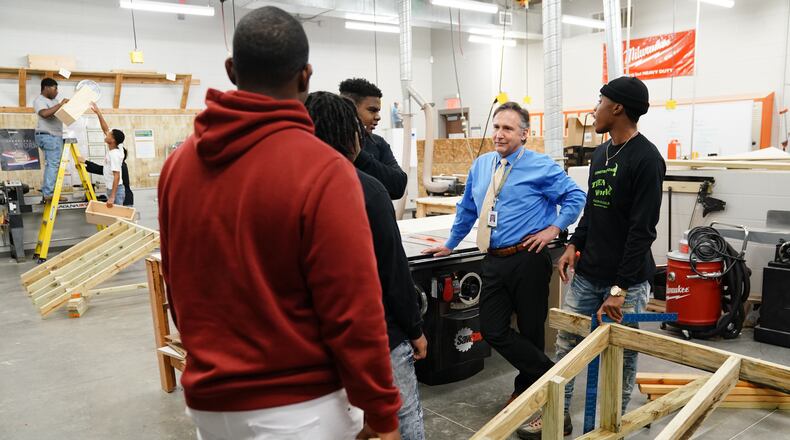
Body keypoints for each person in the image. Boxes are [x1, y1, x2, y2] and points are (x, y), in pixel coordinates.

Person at [157, 7, 401, 440]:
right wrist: (382, 412)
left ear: (232, 70)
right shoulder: (324, 169)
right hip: (301, 408)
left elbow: (177, 286)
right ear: (306, 76)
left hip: (210, 405)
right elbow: (353, 308)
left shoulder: (178, 166)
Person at [421, 102, 585, 439]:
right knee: (493, 329)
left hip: (528, 257)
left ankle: (529, 391)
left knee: (530, 330)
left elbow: (574, 197)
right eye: (496, 127)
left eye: (508, 128)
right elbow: (468, 208)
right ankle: (552, 378)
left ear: (524, 134)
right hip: (493, 258)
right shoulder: (482, 165)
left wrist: (554, 229)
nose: (499, 134)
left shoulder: (540, 166)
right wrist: (451, 244)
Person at [547, 76, 665, 439]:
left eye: (599, 101)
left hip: (624, 283)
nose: (593, 110)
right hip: (587, 275)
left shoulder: (647, 160)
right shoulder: (602, 153)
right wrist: (573, 245)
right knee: (566, 348)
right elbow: (594, 212)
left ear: (617, 108)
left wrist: (620, 288)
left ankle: (611, 426)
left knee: (621, 356)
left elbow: (641, 230)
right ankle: (556, 417)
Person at [305, 91, 427, 440]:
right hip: (379, 335)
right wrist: (415, 330)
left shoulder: (290, 187)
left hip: (315, 339)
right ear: (352, 136)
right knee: (401, 417)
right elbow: (393, 271)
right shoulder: (367, 190)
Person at [340, 78, 408, 200]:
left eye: (378, 111)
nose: (378, 117)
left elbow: (399, 186)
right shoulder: (328, 143)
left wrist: (360, 157)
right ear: (349, 109)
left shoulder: (378, 143)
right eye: (372, 110)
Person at [79, 103, 127, 208]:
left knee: (117, 220)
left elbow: (117, 176)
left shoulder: (114, 154)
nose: (106, 134)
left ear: (113, 140)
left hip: (116, 191)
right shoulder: (117, 147)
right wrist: (98, 113)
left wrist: (112, 197)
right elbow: (105, 129)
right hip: (112, 189)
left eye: (109, 135)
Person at [33, 78, 68, 202]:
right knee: (53, 164)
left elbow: (59, 114)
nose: (57, 91)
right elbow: (44, 114)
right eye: (55, 88)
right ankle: (48, 193)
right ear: (46, 87)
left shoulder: (55, 101)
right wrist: (60, 105)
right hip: (48, 135)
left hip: (55, 135)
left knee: (55, 164)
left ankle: (52, 192)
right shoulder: (39, 100)